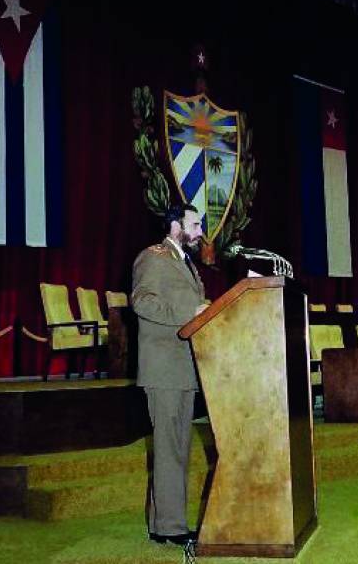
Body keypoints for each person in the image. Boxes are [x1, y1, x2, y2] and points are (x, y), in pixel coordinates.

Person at [131, 203, 207, 546]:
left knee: (177, 449)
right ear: (175, 225)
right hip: (163, 368)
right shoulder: (154, 257)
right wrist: (189, 312)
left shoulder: (187, 264)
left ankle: (163, 524)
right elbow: (142, 302)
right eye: (194, 224)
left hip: (184, 369)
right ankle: (171, 528)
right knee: (169, 449)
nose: (200, 231)